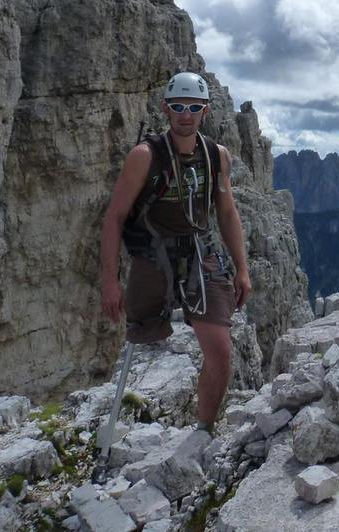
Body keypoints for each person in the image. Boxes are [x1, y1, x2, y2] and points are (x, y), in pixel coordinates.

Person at [99, 72, 254, 433]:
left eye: (194, 107)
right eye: (179, 107)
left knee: (220, 350)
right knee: (141, 337)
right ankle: (118, 426)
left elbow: (227, 213)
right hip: (153, 258)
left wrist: (242, 268)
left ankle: (202, 432)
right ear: (167, 109)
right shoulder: (144, 156)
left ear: (205, 111)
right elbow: (115, 217)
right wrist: (110, 281)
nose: (186, 114)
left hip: (200, 255)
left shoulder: (217, 156)